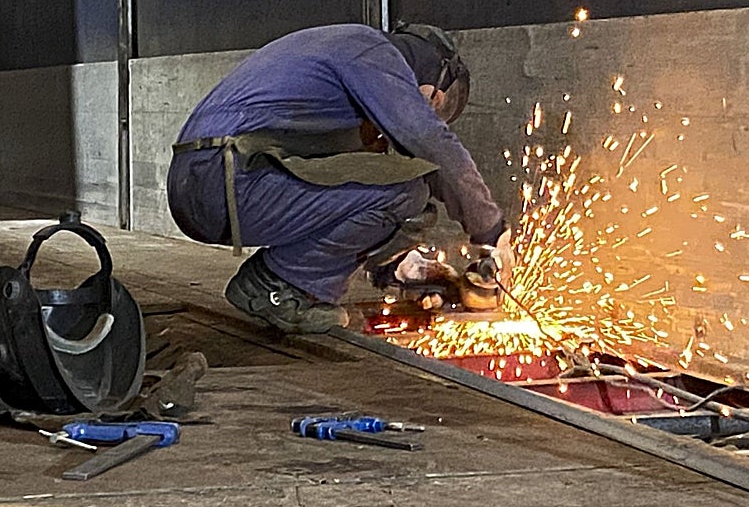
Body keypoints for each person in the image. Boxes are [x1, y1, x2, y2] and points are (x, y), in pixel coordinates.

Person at [166, 22, 511, 333]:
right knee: (408, 191)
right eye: (434, 108)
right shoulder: (371, 52)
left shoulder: (339, 54)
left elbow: (345, 199)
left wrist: (404, 267)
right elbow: (431, 144)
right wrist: (492, 232)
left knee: (388, 179)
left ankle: (285, 281)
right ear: (433, 88)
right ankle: (275, 286)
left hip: (206, 180)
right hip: (223, 180)